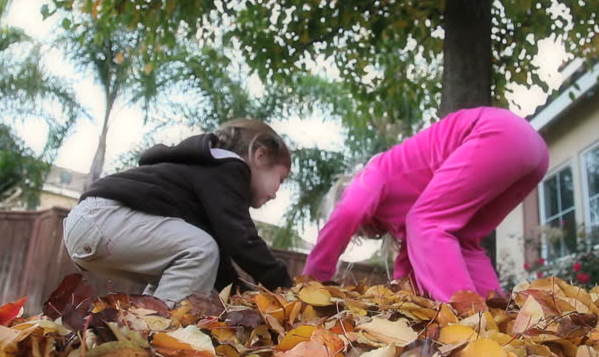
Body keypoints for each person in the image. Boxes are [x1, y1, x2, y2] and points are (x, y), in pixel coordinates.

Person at [303, 107, 548, 301]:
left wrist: (314, 280)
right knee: (462, 242)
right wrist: (403, 302)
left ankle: (467, 323)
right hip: (534, 153)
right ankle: (500, 322)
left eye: (358, 231)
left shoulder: (374, 173)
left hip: (497, 132)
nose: (364, 233)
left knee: (426, 223)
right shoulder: (406, 217)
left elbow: (348, 212)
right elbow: (409, 267)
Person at [62, 119, 293, 305]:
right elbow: (242, 241)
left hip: (93, 224)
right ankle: (160, 342)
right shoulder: (229, 169)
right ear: (260, 156)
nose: (275, 193)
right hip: (104, 219)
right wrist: (285, 287)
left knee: (187, 264)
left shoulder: (208, 175)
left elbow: (219, 263)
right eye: (280, 180)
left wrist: (241, 296)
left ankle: (141, 333)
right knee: (200, 249)